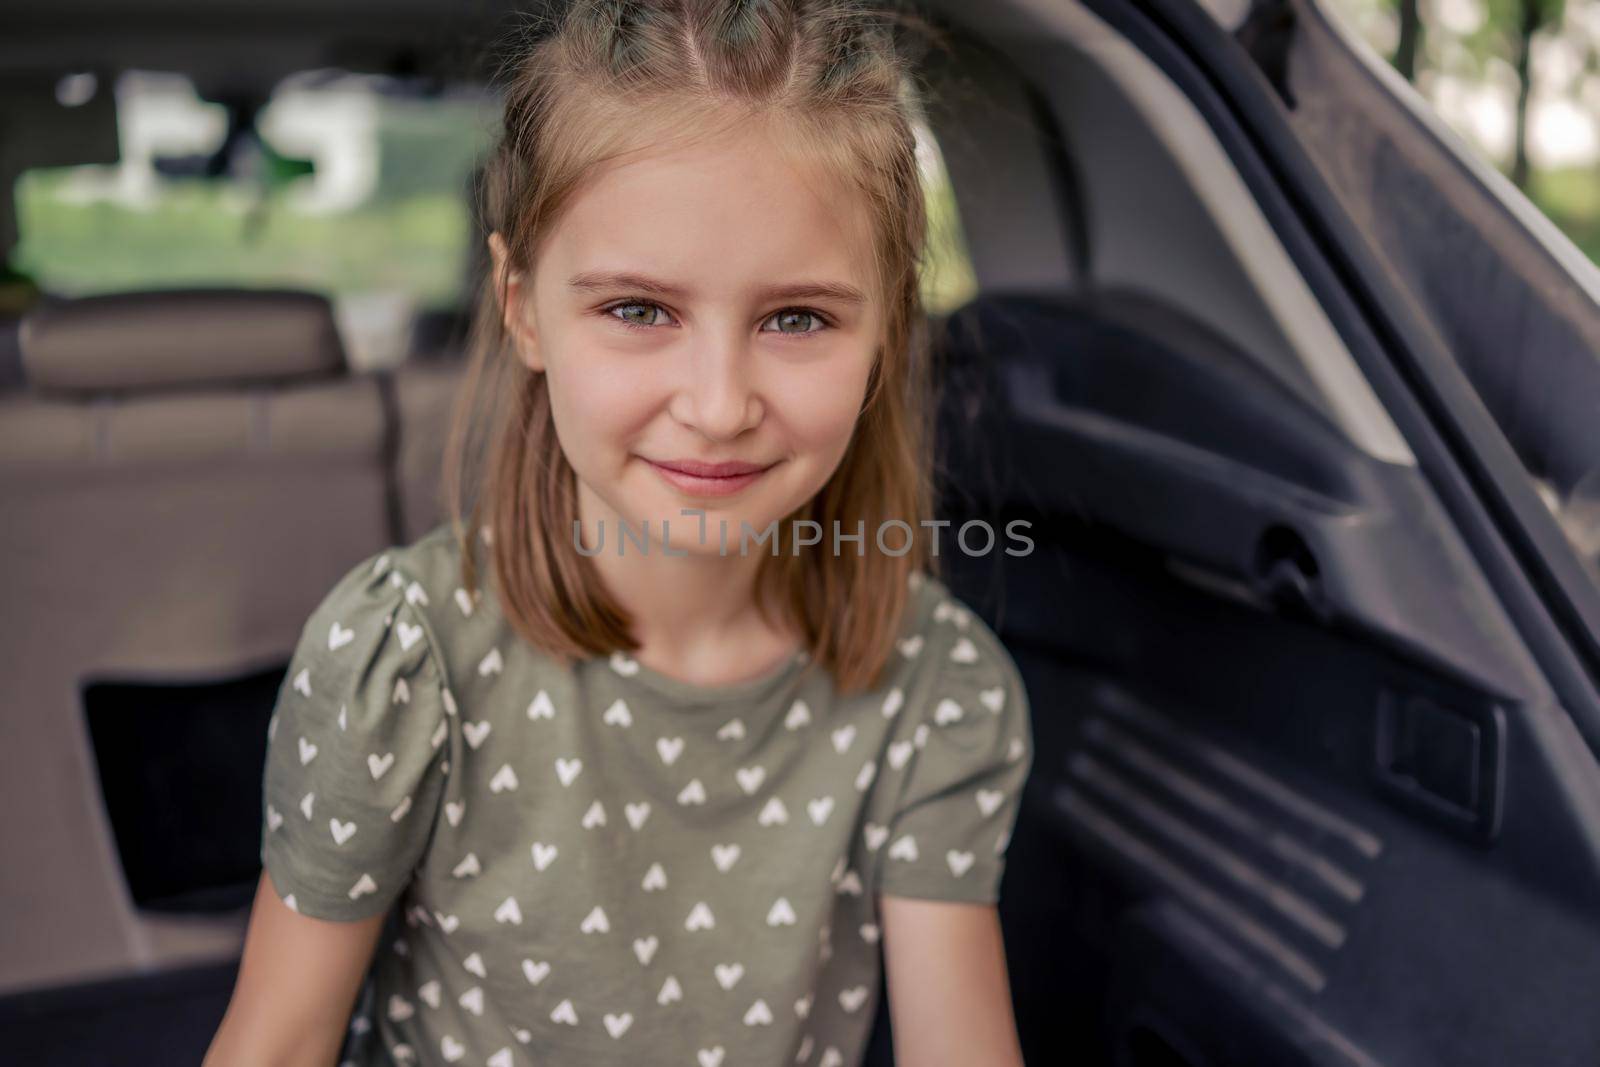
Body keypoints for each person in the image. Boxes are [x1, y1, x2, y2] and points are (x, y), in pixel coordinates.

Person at [205, 1, 1034, 1063]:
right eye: (640, 309)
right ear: (523, 309)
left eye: (798, 318)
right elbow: (275, 1044)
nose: (719, 402)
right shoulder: (406, 659)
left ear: (884, 336)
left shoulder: (936, 684)